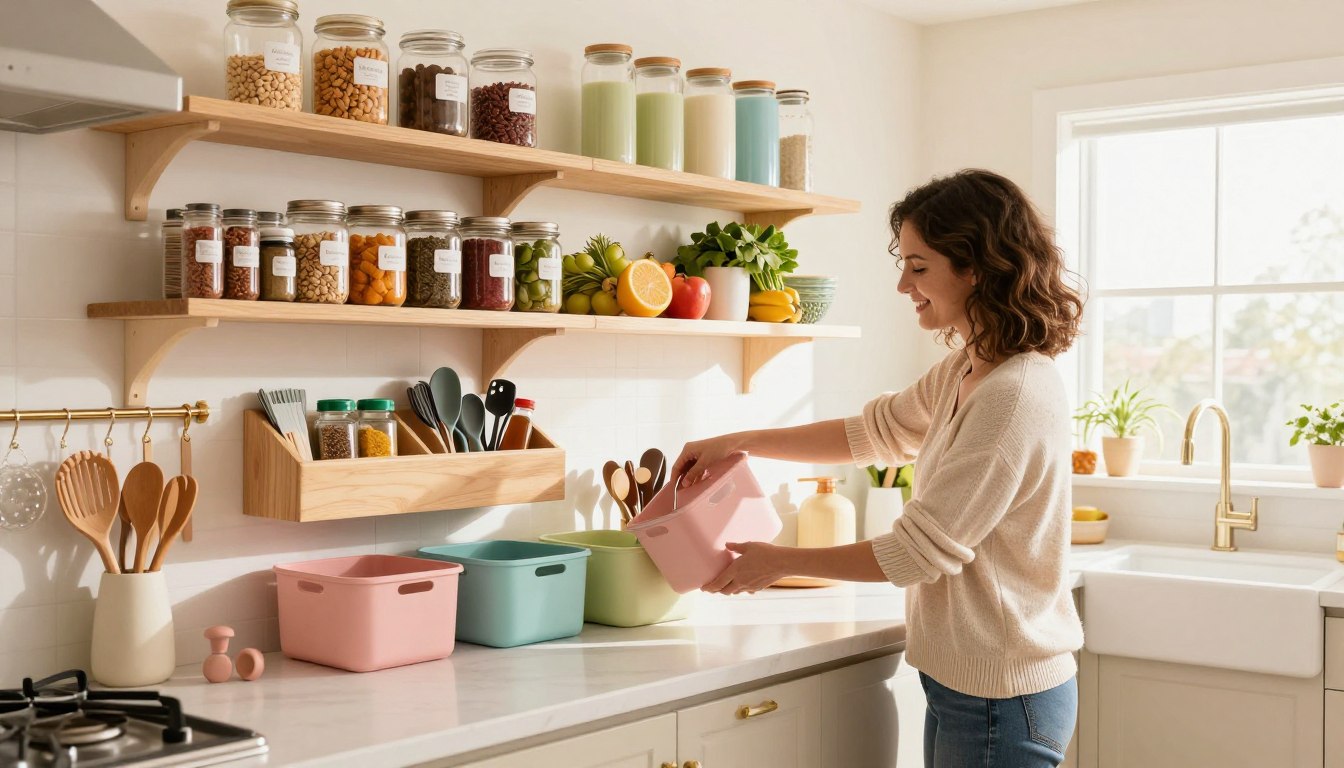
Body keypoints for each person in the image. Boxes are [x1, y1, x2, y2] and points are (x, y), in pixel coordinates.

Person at [671, 169, 1087, 768]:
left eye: (919, 268)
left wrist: (778, 561)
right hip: (968, 684)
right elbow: (873, 432)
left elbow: (918, 551)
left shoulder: (1012, 396)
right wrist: (740, 440)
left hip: (1004, 695)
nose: (902, 285)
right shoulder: (969, 369)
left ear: (975, 268)